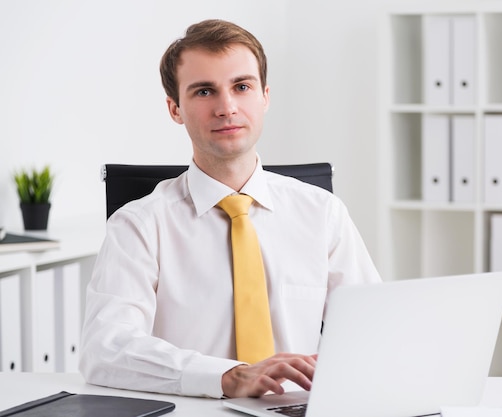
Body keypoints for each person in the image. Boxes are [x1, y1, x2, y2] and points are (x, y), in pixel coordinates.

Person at [79, 18, 381, 400]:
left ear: (265, 96)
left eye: (242, 86)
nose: (227, 107)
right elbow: (105, 348)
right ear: (175, 109)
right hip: (195, 407)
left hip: (296, 407)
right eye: (204, 91)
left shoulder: (322, 213)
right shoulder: (139, 225)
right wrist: (228, 377)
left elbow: (373, 332)